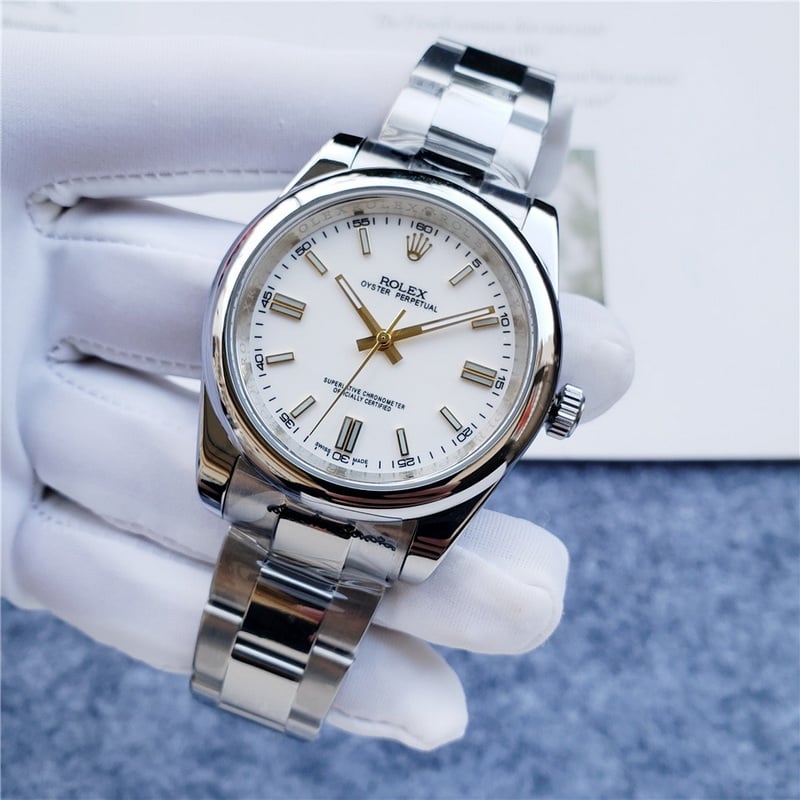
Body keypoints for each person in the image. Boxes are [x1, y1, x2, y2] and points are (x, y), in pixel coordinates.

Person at [1, 29, 634, 750]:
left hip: (381, 500)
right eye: (379, 333)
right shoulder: (341, 178)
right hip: (262, 450)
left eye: (392, 342)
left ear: (546, 404)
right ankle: (255, 676)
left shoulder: (503, 257)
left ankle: (263, 679)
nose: (384, 342)